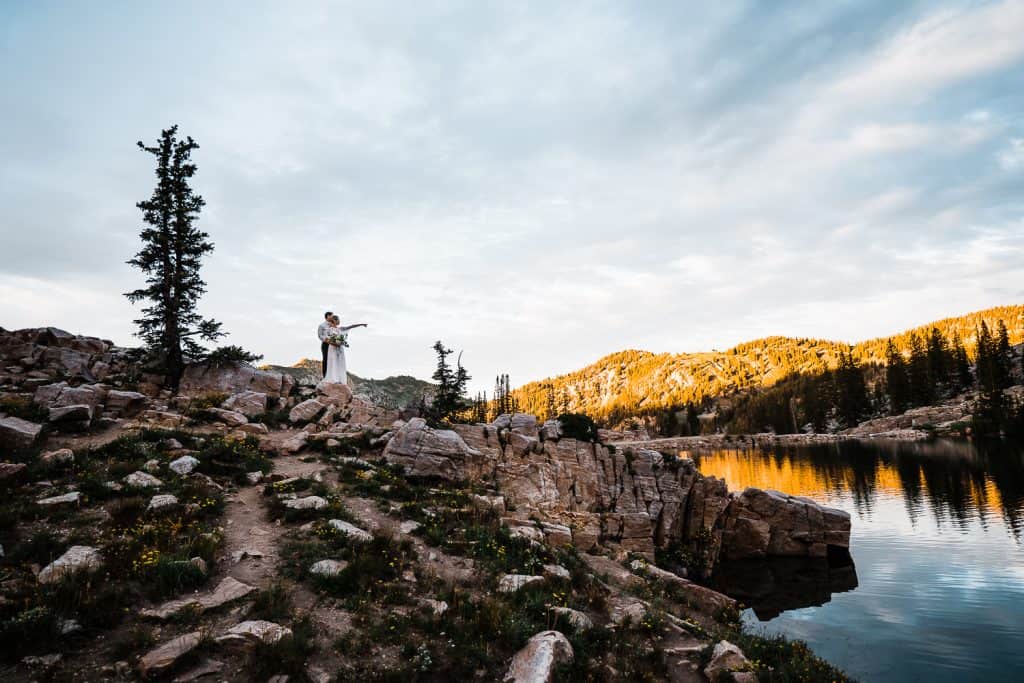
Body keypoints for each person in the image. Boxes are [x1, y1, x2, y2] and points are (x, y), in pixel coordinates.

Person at [322, 314, 368, 385]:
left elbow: (351, 326)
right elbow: (325, 338)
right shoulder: (329, 330)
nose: (339, 321)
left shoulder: (341, 329)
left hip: (339, 348)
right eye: (338, 320)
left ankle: (340, 379)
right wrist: (333, 342)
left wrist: (361, 324)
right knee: (333, 362)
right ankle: (333, 379)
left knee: (340, 363)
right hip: (333, 347)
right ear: (334, 321)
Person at [317, 311, 334, 378]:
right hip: (325, 344)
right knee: (326, 359)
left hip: (333, 345)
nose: (333, 317)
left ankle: (331, 376)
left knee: (332, 360)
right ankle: (325, 376)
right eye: (332, 316)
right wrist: (326, 339)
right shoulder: (322, 325)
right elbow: (319, 335)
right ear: (328, 316)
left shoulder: (333, 325)